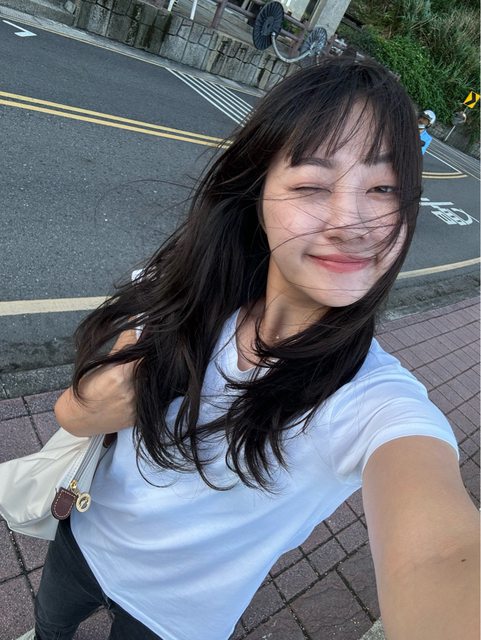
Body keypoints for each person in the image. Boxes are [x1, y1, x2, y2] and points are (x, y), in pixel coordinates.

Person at [24, 59, 479, 640]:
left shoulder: (376, 403)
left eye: (384, 189)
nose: (352, 223)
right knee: (48, 628)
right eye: (312, 185)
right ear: (257, 196)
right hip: (84, 537)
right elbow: (72, 415)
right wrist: (97, 402)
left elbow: (440, 554)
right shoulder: (183, 300)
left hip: (174, 619)